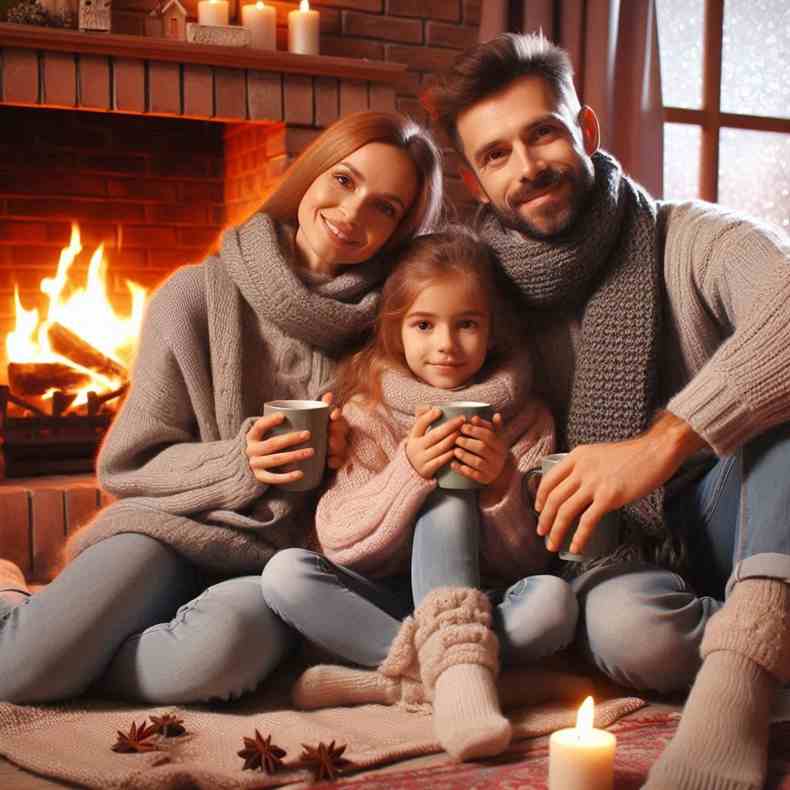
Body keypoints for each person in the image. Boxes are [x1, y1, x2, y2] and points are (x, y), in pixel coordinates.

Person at [424, 31, 790, 790]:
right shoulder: (475, 291)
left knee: (779, 414)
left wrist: (661, 444)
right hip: (609, 549)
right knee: (633, 642)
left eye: (542, 133)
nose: (527, 168)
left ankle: (739, 688)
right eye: (497, 155)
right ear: (475, 177)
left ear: (584, 129)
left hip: (738, 503)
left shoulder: (689, 236)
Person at [0, 110, 443, 706]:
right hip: (170, 531)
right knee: (18, 675)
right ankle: (18, 605)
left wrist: (354, 456)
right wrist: (241, 462)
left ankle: (77, 645)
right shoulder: (192, 296)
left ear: (400, 228)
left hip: (279, 566)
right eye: (344, 180)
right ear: (311, 175)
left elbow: (397, 479)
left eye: (385, 207)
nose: (353, 212)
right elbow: (129, 465)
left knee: (217, 660)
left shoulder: (402, 327)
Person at [261, 229, 578, 761]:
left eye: (467, 324)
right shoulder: (367, 409)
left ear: (493, 329)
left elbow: (531, 560)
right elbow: (338, 540)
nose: (446, 345)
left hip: (487, 604)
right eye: (424, 325)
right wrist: (409, 471)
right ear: (395, 330)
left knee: (555, 602)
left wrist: (500, 488)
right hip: (385, 597)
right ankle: (467, 678)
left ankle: (393, 684)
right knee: (285, 575)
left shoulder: (527, 419)